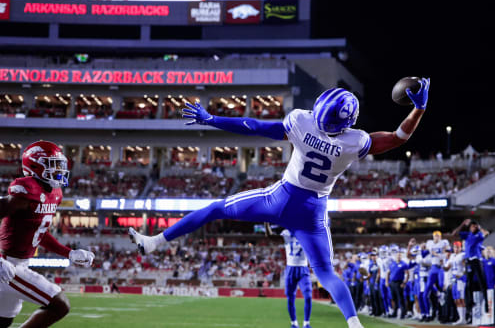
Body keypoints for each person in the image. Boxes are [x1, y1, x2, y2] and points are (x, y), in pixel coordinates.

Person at [129, 80, 430, 328]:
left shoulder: (301, 121)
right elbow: (398, 137)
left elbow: (254, 126)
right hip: (314, 211)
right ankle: (354, 325)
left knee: (216, 209)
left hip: (281, 198)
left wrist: (213, 120)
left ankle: (155, 241)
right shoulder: (354, 141)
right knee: (326, 273)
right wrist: (419, 108)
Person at [0, 141, 95, 328]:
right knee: (60, 305)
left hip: (17, 265)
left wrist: (69, 253)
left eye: (60, 164)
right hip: (7, 265)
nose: (59, 169)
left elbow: (39, 232)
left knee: (3, 321)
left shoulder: (55, 193)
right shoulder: (27, 188)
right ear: (35, 165)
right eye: (53, 164)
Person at [451, 219, 490, 316]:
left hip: (476, 260)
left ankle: (486, 304)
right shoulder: (467, 234)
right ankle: (469, 304)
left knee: (482, 282)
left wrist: (480, 227)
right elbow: (454, 233)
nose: (473, 228)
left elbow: (486, 233)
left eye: (475, 226)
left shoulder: (479, 235)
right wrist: (462, 223)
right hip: (469, 261)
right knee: (468, 283)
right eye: (472, 226)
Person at [281, 229, 313, 328]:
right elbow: (270, 235)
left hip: (303, 268)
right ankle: (294, 323)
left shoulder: (306, 233)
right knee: (290, 298)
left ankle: (306, 323)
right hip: (290, 268)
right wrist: (267, 224)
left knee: (308, 296)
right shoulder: (286, 232)